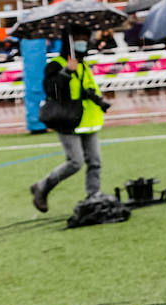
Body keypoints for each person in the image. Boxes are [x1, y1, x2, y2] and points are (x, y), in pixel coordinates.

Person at [30, 26, 109, 212]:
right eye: (79, 39)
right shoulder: (56, 64)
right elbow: (51, 90)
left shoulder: (83, 64)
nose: (83, 43)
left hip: (88, 120)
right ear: (69, 41)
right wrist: (66, 72)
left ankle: (94, 195)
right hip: (66, 119)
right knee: (75, 162)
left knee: (95, 161)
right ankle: (43, 186)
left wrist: (99, 101)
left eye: (85, 38)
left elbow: (87, 88)